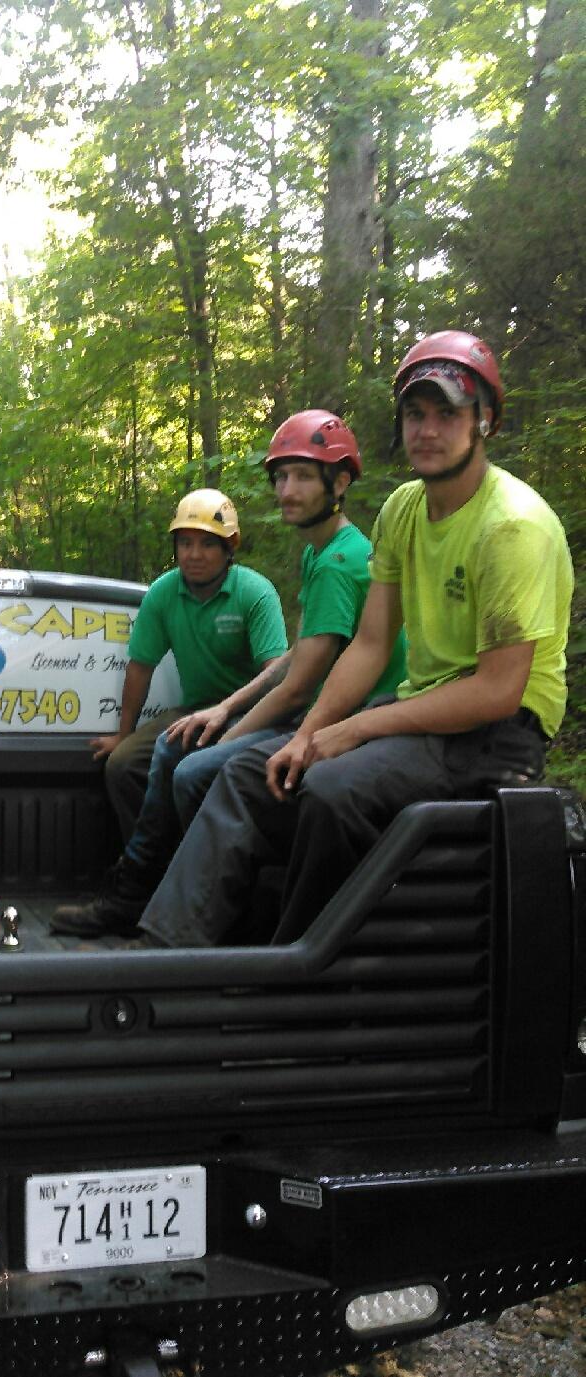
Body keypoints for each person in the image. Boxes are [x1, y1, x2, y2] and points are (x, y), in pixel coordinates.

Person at [136, 330, 573, 949]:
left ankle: (299, 973)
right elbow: (368, 646)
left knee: (331, 790)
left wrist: (357, 729)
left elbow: (499, 691)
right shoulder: (402, 510)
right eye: (415, 414)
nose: (427, 429)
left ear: (486, 421)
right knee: (247, 772)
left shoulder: (511, 527)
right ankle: (172, 952)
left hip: (498, 735)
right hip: (423, 714)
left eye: (448, 413)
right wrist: (312, 731)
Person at [51, 410, 407, 938]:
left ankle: (211, 915)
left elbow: (298, 685)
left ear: (341, 482)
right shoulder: (325, 553)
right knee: (173, 751)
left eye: (304, 476)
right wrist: (219, 710)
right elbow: (299, 658)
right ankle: (143, 893)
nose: (288, 489)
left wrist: (229, 736)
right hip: (321, 711)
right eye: (281, 476)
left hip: (348, 721)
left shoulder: (334, 564)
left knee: (195, 770)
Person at [91, 487, 289, 844]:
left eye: (207, 544)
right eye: (185, 543)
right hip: (193, 711)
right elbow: (140, 667)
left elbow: (275, 673)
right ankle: (151, 864)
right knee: (123, 765)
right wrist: (124, 734)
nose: (194, 554)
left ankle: (204, 859)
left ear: (231, 546)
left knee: (198, 769)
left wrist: (231, 715)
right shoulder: (164, 593)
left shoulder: (255, 592)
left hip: (250, 714)